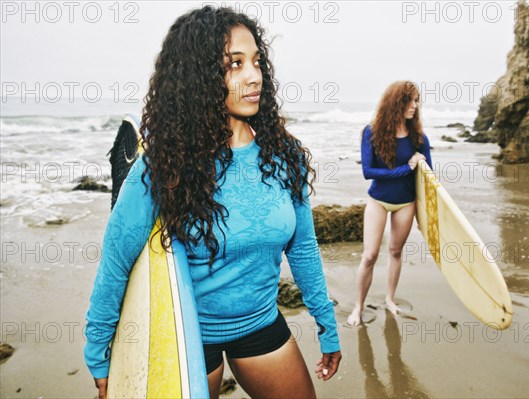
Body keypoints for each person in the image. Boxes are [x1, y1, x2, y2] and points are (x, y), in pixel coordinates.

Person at [84, 7, 341, 399]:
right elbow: (116, 261)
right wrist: (99, 353)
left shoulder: (281, 155)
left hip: (260, 322)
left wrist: (327, 323)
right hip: (186, 336)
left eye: (256, 62)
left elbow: (303, 247)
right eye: (234, 65)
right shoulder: (164, 165)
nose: (253, 76)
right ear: (199, 76)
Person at [347, 81, 432, 326]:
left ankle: (390, 300)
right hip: (378, 201)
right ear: (396, 102)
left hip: (406, 202)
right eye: (410, 100)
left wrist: (421, 164)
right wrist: (407, 168)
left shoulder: (418, 137)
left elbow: (430, 175)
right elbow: (368, 171)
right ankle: (358, 307)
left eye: (417, 100)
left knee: (395, 251)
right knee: (370, 255)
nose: (415, 106)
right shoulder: (371, 132)